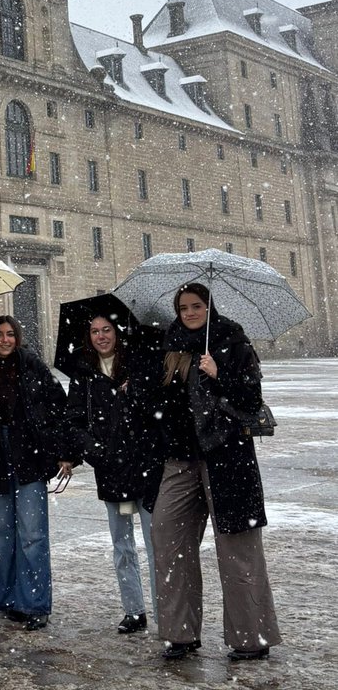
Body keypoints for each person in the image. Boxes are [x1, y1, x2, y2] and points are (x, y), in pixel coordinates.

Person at [149, 283, 281, 662]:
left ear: (210, 308)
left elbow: (251, 399)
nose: (189, 313)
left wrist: (219, 373)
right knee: (167, 536)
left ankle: (250, 637)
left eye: (196, 306)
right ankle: (180, 633)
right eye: (183, 307)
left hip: (227, 457)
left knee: (237, 549)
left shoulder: (232, 341)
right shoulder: (169, 344)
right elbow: (161, 402)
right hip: (182, 457)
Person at [64, 313, 161, 634]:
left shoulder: (138, 364)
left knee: (155, 542)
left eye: (106, 329)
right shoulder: (84, 374)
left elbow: (155, 412)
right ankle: (134, 610)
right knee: (123, 544)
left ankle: (164, 612)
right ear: (88, 336)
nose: (101, 336)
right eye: (94, 331)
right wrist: (96, 451)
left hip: (144, 469)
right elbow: (75, 421)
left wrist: (135, 392)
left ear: (117, 333)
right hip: (113, 473)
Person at [0, 315, 69, 630]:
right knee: (1, 536)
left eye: (10, 334)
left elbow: (59, 406)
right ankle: (8, 600)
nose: (5, 339)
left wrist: (63, 452)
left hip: (28, 455)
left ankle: (35, 604)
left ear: (18, 337)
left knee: (32, 534)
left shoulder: (32, 365)